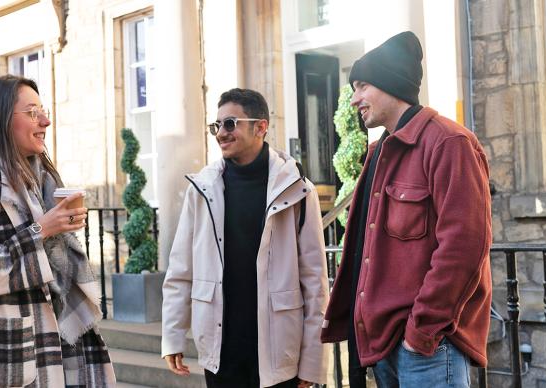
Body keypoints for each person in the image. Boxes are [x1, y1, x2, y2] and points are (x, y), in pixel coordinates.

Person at [320, 31, 492, 388]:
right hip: (386, 347)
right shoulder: (379, 152)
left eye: (362, 86)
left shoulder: (449, 143)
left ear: (390, 83)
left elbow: (464, 246)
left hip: (428, 348)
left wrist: (421, 331)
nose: (355, 100)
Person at [0, 75, 116, 387]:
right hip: (5, 357)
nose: (45, 121)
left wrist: (61, 229)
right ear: (1, 120)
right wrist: (42, 230)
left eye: (43, 111)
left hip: (56, 343)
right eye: (32, 112)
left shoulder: (41, 182)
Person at [161, 88, 330, 388]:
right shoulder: (202, 190)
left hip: (279, 350)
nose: (221, 133)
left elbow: (315, 282)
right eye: (217, 126)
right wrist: (172, 335)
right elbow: (180, 270)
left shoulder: (298, 189)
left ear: (260, 127)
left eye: (230, 124)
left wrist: (313, 362)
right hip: (220, 345)